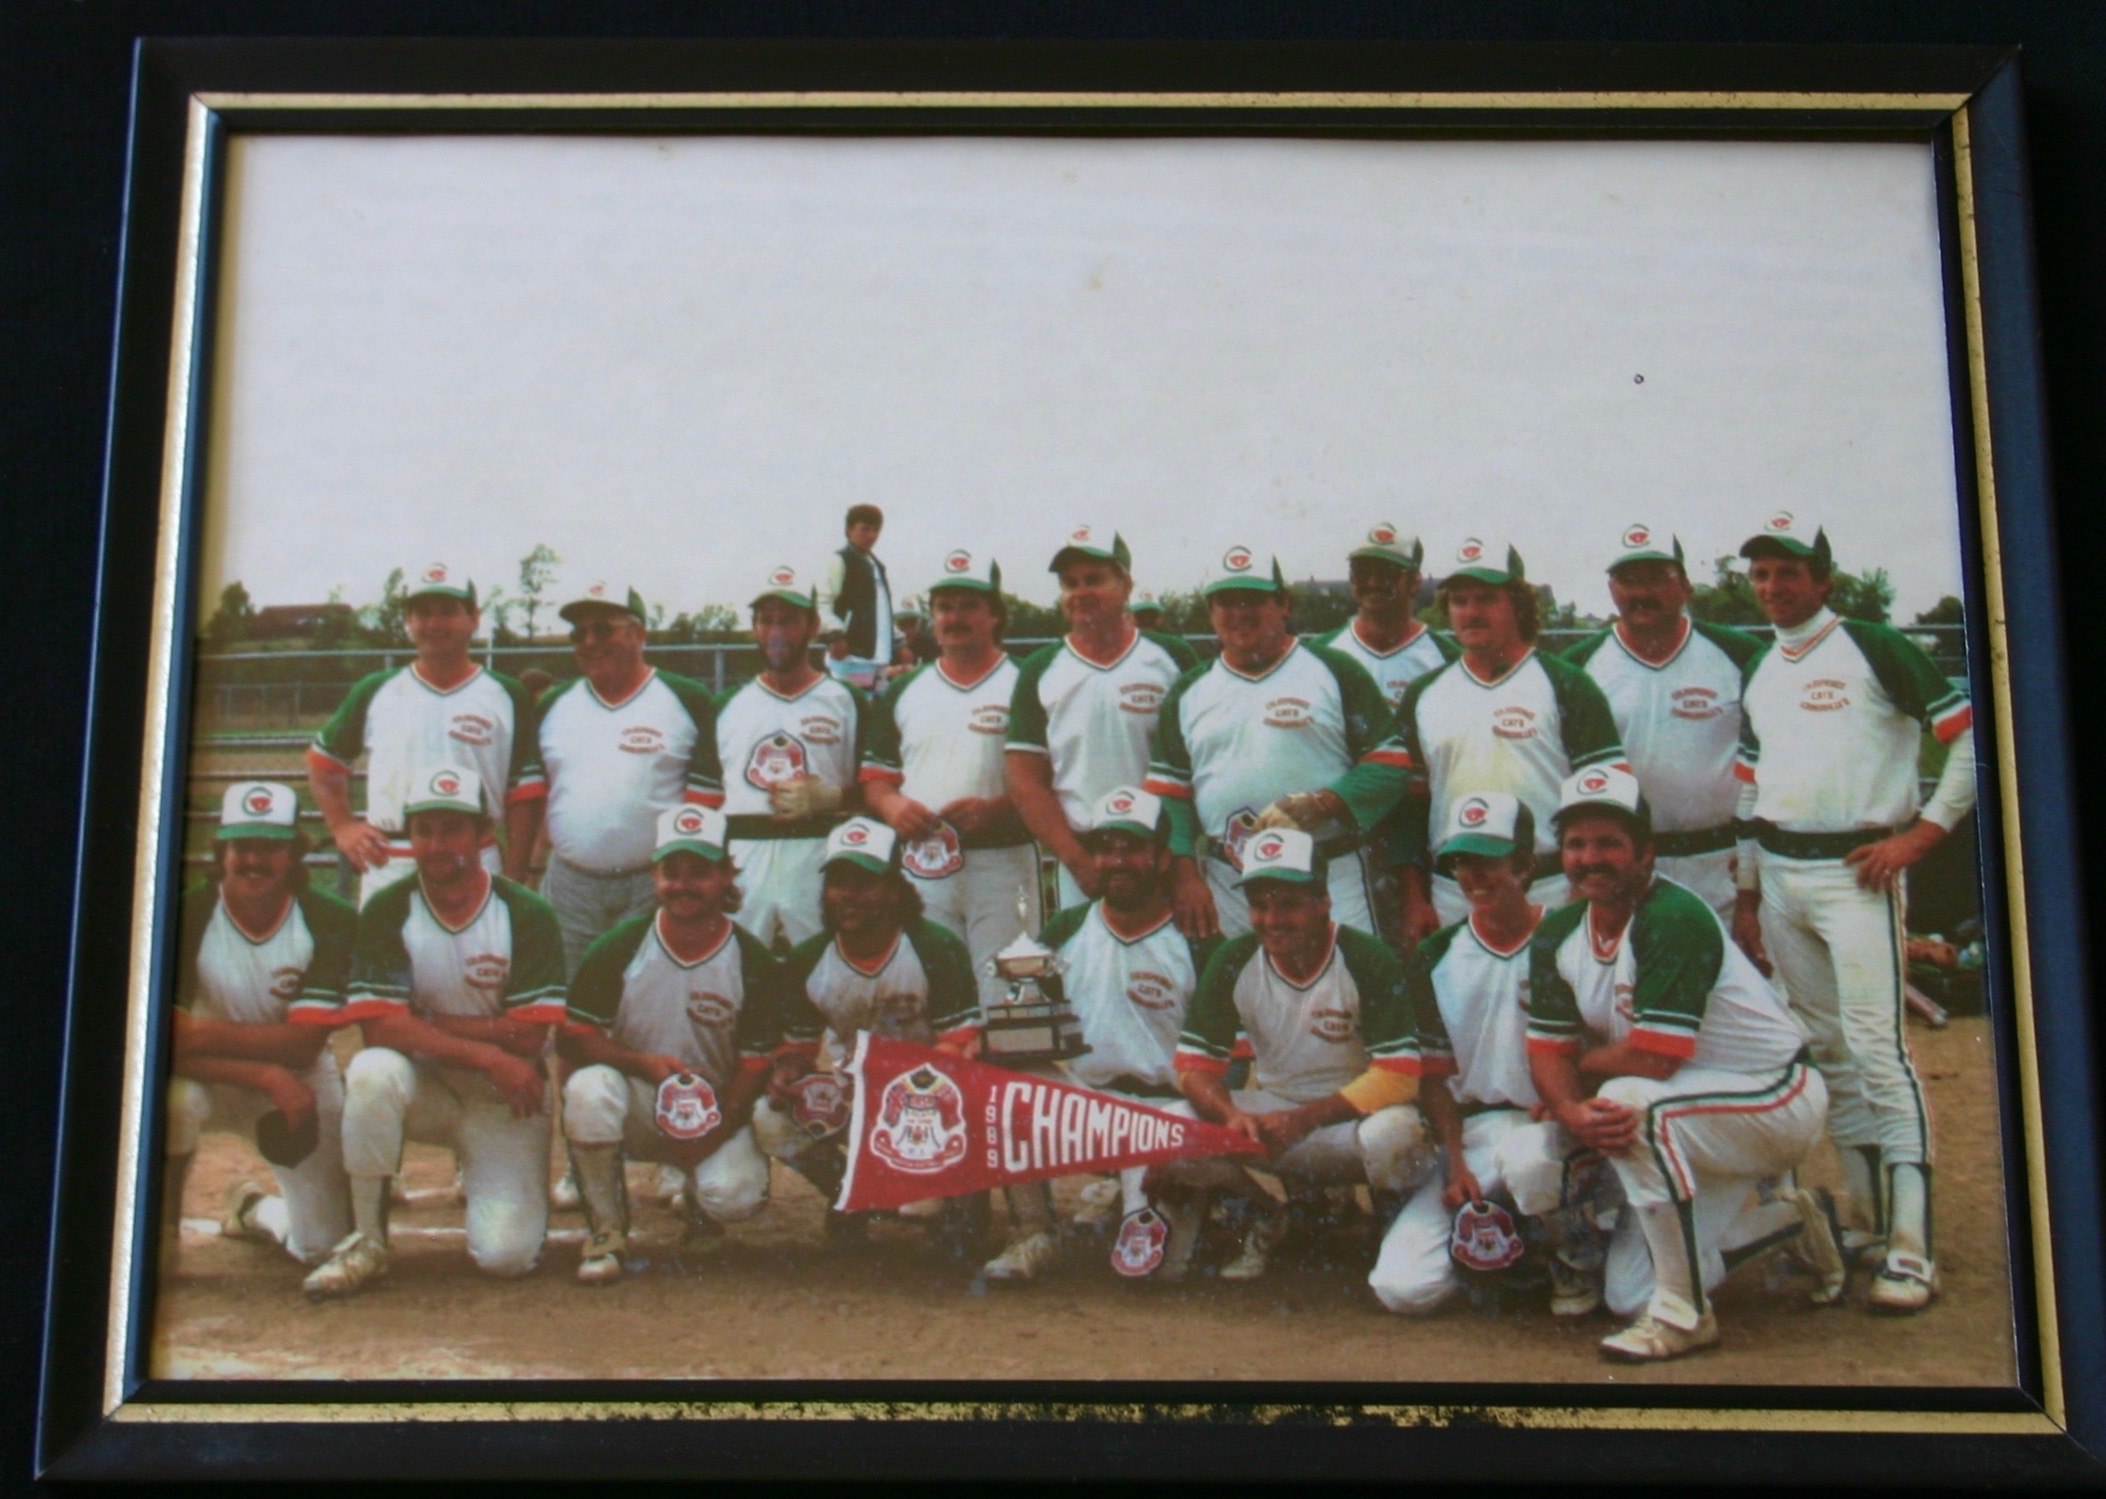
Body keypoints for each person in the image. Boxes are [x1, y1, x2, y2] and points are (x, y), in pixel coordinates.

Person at [1731, 512, 1977, 1313]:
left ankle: (1913, 1246)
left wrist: (1923, 834)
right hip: (1780, 871)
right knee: (1829, 1049)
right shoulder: (1765, 664)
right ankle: (1868, 1222)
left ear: (1823, 577)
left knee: (1878, 1048)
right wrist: (1746, 886)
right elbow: (1749, 779)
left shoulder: (1873, 642)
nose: (1773, 587)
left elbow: (1970, 736)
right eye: (1761, 574)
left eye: (1788, 572)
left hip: (1859, 870)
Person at [1521, 766, 1841, 1361]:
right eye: (1576, 843)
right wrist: (1567, 1106)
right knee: (1627, 1294)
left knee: (1628, 1101)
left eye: (1609, 843)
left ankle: (1685, 1316)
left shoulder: (1672, 916)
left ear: (1646, 851)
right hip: (1694, 1115)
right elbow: (1545, 1049)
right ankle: (1790, 1221)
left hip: (1773, 1098)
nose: (1590, 857)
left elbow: (1653, 1058)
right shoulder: (1559, 932)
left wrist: (1581, 1074)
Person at [302, 766, 568, 1298]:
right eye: (424, 830)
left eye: (452, 829)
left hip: (504, 1101)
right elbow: (379, 1029)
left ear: (482, 833)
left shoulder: (526, 913)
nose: (437, 844)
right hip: (441, 1085)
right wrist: (488, 1052)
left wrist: (422, 1023)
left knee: (506, 1258)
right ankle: (369, 1240)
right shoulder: (388, 907)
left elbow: (529, 1038)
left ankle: (489, 1182)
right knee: (374, 1071)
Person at [1274, 538, 1624, 941]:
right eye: (1459, 601)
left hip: (1547, 884)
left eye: (1486, 599)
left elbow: (1604, 798)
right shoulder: (1425, 693)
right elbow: (1411, 807)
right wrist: (1414, 896)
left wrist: (1587, 886)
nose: (1471, 612)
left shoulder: (1566, 683)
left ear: (1519, 604)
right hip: (1453, 888)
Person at [1159, 829, 1435, 1282]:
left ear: (1323, 901)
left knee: (1397, 1133)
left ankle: (1395, 1225)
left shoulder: (1366, 957)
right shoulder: (1234, 958)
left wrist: (1306, 1119)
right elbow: (1193, 1069)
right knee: (1176, 1121)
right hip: (1275, 1120)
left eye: (1287, 904)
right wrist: (1228, 1114)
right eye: (1260, 905)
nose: (1272, 919)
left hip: (1351, 1122)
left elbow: (1400, 1077)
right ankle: (1264, 1214)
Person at [557, 806, 782, 1283]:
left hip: (716, 1106)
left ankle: (702, 1202)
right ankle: (606, 1230)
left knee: (736, 1196)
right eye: (670, 873)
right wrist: (638, 1062)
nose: (683, 886)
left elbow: (757, 1063)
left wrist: (714, 1130)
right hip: (640, 1101)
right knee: (589, 1088)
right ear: (654, 877)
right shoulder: (620, 946)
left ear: (726, 875)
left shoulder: (751, 958)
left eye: (699, 873)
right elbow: (574, 1037)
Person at [1145, 545, 1395, 940]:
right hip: (1231, 880)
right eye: (1226, 602)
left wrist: (1326, 803)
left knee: (1347, 990)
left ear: (1284, 604)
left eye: (1253, 599)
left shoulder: (1333, 669)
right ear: (1210, 612)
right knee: (1242, 997)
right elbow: (1169, 795)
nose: (1239, 612)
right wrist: (1184, 874)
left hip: (1328, 871)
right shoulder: (1188, 691)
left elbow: (1390, 763)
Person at [1366, 792, 1554, 1315]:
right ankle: (1498, 1249)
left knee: (1532, 1163)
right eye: (1462, 864)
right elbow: (1435, 1075)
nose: (1473, 877)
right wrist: (1452, 1162)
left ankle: (1571, 1252)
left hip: (1550, 1130)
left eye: (1488, 862)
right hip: (1473, 1131)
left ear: (1522, 864)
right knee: (1401, 1289)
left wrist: (1568, 1099)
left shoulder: (1564, 936)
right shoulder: (1437, 953)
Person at [752, 818, 983, 1246]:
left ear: (894, 889)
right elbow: (800, 1049)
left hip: (931, 1095)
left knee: (970, 1096)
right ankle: (853, 1192)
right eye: (838, 882)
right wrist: (787, 1071)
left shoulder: (935, 947)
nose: (848, 895)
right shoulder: (808, 959)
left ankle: (959, 1198)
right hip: (858, 1091)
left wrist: (913, 1099)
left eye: (864, 882)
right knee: (769, 1117)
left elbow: (961, 1042)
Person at [1028, 786, 1224, 1280]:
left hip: (1165, 1114)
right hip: (1089, 1105)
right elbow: (1023, 1025)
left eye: (1132, 848)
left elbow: (1231, 1062)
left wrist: (1188, 1139)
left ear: (1162, 858)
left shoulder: (1199, 941)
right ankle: (1032, 1232)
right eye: (1106, 847)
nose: (1117, 861)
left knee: (1156, 1272)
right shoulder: (1064, 930)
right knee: (1006, 1083)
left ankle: (1221, 1202)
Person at [163, 781, 356, 1272]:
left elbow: (303, 1045)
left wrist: (196, 1032)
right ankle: (159, 1236)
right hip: (213, 1077)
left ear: (294, 853)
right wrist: (264, 1075)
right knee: (174, 1102)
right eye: (242, 846)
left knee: (322, 1246)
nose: (254, 860)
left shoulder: (329, 918)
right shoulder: (187, 911)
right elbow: (158, 1041)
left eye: (270, 847)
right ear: (222, 851)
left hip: (301, 1081)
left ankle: (253, 1210)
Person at [506, 579, 725, 974]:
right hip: (571, 885)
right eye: (579, 633)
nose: (590, 642)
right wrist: (519, 877)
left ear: (638, 633)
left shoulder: (686, 698)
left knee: (651, 1000)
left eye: (603, 629)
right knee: (568, 1001)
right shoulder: (554, 704)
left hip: (655, 885)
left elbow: (706, 803)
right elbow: (533, 797)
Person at [859, 549, 1037, 1012]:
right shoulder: (904, 689)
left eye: (968, 605)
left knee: (1009, 1000)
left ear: (995, 614)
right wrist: (894, 808)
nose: (954, 618)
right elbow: (876, 780)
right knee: (931, 995)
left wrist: (1000, 809)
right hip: (924, 862)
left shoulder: (1026, 683)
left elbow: (1049, 780)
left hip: (1002, 860)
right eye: (944, 607)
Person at [307, 563, 535, 906]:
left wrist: (516, 874)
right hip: (391, 857)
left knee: (478, 958)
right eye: (421, 613)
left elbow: (525, 792)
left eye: (447, 612)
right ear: (408, 622)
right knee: (389, 958)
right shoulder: (377, 690)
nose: (433, 624)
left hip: (476, 855)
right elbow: (323, 763)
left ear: (474, 618)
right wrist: (342, 826)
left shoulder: (507, 693)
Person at [1563, 527, 1762, 919]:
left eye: (1657, 579)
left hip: (1724, 861)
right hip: (1624, 867)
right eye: (1628, 581)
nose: (1641, 593)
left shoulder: (1742, 655)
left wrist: (1755, 864)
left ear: (1686, 586)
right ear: (1611, 589)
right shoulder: (1577, 666)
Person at [1006, 526, 1199, 910]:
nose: (1080, 593)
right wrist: (1076, 861)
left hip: (1161, 855)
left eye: (1094, 580)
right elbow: (1025, 779)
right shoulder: (1040, 669)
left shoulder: (1173, 658)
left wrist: (1180, 861)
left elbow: (1197, 764)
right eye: (1070, 583)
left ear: (1126, 584)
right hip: (1085, 854)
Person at [715, 566, 867, 950]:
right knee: (739, 973)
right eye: (766, 621)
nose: (776, 632)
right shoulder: (726, 706)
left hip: (818, 851)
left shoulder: (846, 701)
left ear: (814, 625)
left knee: (824, 971)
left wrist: (835, 798)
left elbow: (875, 788)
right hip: (743, 854)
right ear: (754, 627)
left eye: (788, 621)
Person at [1311, 524, 1455, 706]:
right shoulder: (1318, 655)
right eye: (1361, 572)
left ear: (1414, 582)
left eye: (1387, 573)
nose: (1373, 583)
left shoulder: (1448, 658)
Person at [817, 503, 896, 692]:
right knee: (854, 707)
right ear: (849, 530)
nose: (871, 535)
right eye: (865, 529)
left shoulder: (877, 566)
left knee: (875, 712)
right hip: (851, 660)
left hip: (878, 660)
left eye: (876, 530)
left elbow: (882, 611)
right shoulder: (839, 561)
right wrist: (835, 636)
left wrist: (899, 642)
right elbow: (822, 602)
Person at [891, 596, 938, 671]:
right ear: (895, 624)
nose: (908, 629)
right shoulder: (886, 647)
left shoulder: (932, 644)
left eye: (912, 623)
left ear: (918, 623)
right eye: (903, 624)